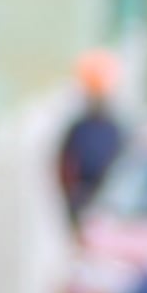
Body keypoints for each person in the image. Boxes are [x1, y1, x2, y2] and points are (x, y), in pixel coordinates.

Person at [57, 52, 126, 223]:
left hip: (112, 196)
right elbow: (65, 166)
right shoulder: (79, 129)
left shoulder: (115, 129)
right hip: (85, 194)